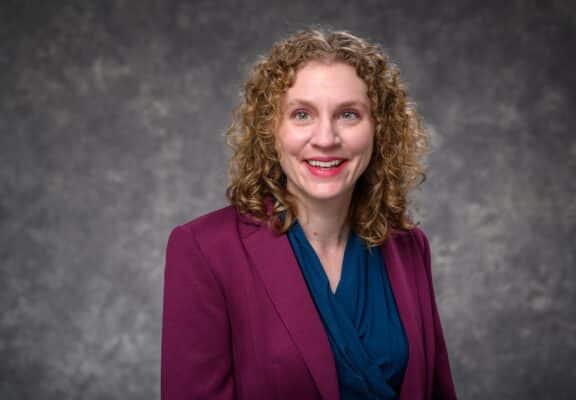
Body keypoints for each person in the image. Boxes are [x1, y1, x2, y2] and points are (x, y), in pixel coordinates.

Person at [161, 28, 457, 400]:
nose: (326, 138)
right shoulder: (205, 250)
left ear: (379, 129)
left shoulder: (409, 247)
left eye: (349, 114)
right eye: (302, 114)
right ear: (272, 130)